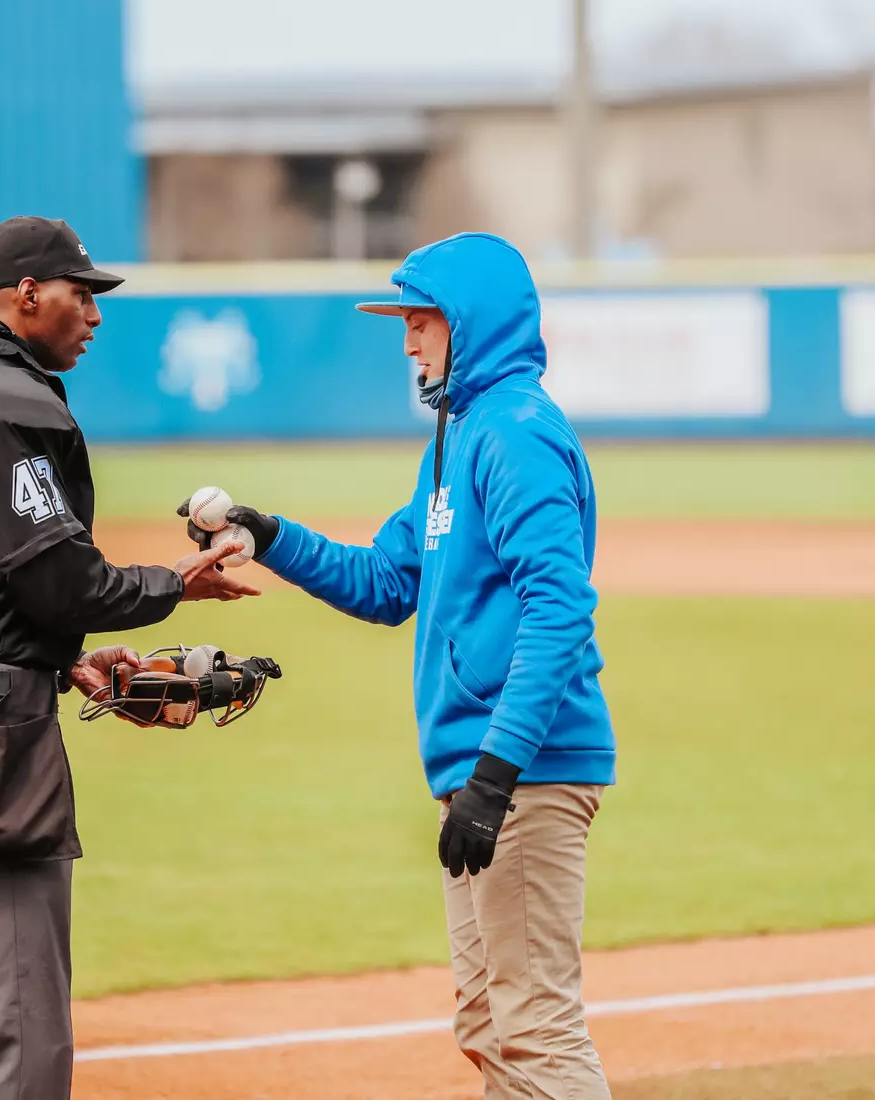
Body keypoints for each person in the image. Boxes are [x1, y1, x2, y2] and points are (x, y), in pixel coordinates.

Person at [195, 233, 615, 1099]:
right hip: (488, 774)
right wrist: (267, 536)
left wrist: (496, 775)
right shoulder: (458, 440)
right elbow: (389, 582)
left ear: (471, 323)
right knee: (490, 1025)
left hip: (525, 771)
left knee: (533, 1025)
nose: (408, 341)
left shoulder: (517, 435)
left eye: (421, 320)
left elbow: (560, 608)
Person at [0, 215, 256, 1100]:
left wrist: (46, 657)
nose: (95, 314)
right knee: (18, 1035)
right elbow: (60, 581)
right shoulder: (9, 399)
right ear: (27, 295)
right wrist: (172, 585)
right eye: (82, 293)